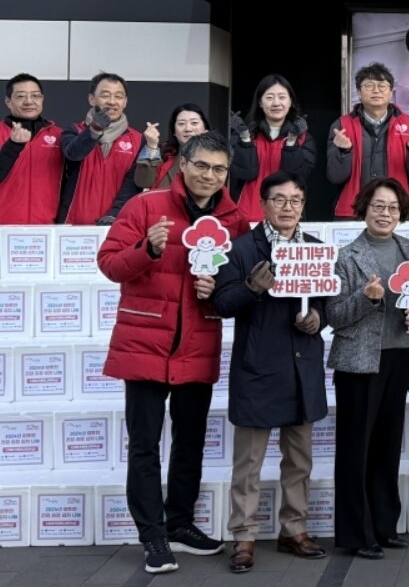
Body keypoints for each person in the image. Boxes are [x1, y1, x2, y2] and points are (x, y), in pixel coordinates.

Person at [96, 131, 248, 574]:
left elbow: (235, 284)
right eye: (202, 166)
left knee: (190, 443)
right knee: (144, 445)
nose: (210, 176)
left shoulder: (234, 219)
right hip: (145, 342)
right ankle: (152, 536)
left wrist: (215, 289)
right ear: (183, 163)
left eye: (219, 169)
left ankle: (179, 523)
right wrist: (149, 248)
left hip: (198, 343)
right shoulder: (144, 207)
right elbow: (109, 263)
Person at [211, 172, 328, 572]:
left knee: (299, 460)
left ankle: (293, 529)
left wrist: (317, 318)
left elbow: (325, 301)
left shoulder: (316, 249)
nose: (288, 207)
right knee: (249, 464)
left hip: (302, 368)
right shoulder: (243, 248)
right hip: (258, 368)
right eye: (279, 200)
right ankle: (243, 536)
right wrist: (251, 289)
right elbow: (223, 303)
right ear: (263, 204)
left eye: (295, 200)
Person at [326, 178, 409, 558]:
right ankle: (358, 534)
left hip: (399, 355)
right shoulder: (346, 255)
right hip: (358, 363)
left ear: (402, 212)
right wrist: (365, 297)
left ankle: (385, 526)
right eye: (378, 206)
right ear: (364, 208)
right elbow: (335, 316)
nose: (385, 213)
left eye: (392, 208)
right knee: (356, 449)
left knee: (388, 446)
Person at [326, 64, 409, 219]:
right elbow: (335, 176)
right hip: (353, 212)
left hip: (396, 212)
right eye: (369, 85)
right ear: (359, 92)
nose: (376, 90)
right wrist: (343, 152)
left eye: (382, 86)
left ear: (391, 92)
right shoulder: (342, 126)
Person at [230, 75, 317, 223]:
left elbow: (297, 176)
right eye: (269, 97)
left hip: (287, 216)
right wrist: (245, 139)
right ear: (260, 103)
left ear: (291, 102)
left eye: (282, 97)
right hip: (247, 216)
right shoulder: (243, 134)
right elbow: (245, 172)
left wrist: (291, 142)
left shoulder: (303, 138)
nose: (276, 103)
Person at [59, 72, 142, 224]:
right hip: (73, 225)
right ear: (92, 99)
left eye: (118, 96)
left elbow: (132, 184)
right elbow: (73, 154)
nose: (112, 102)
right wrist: (94, 129)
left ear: (125, 102)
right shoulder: (73, 131)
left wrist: (115, 214)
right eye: (105, 95)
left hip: (114, 224)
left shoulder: (137, 139)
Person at [0, 73, 64, 224]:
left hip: (46, 228)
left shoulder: (60, 135)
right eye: (21, 96)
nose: (29, 101)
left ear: (42, 99)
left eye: (35, 96)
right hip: (3, 227)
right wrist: (13, 145)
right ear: (8, 102)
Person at [135, 103, 210, 191]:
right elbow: (143, 182)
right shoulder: (165, 155)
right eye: (181, 124)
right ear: (174, 131)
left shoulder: (218, 157)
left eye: (194, 123)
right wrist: (151, 145)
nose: (188, 129)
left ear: (205, 129)